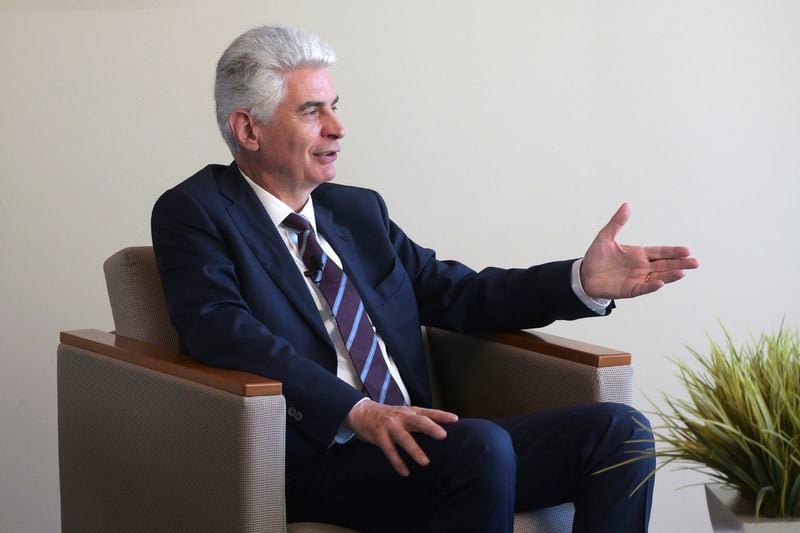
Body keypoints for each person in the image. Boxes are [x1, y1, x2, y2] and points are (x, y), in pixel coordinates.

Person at [151, 25, 699, 533]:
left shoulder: (358, 212)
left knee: (619, 434)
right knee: (478, 446)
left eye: (335, 107)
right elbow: (220, 329)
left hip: (422, 444)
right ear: (248, 128)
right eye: (312, 111)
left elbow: (456, 294)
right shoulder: (196, 211)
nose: (338, 128)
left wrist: (580, 282)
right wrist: (355, 410)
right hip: (317, 457)